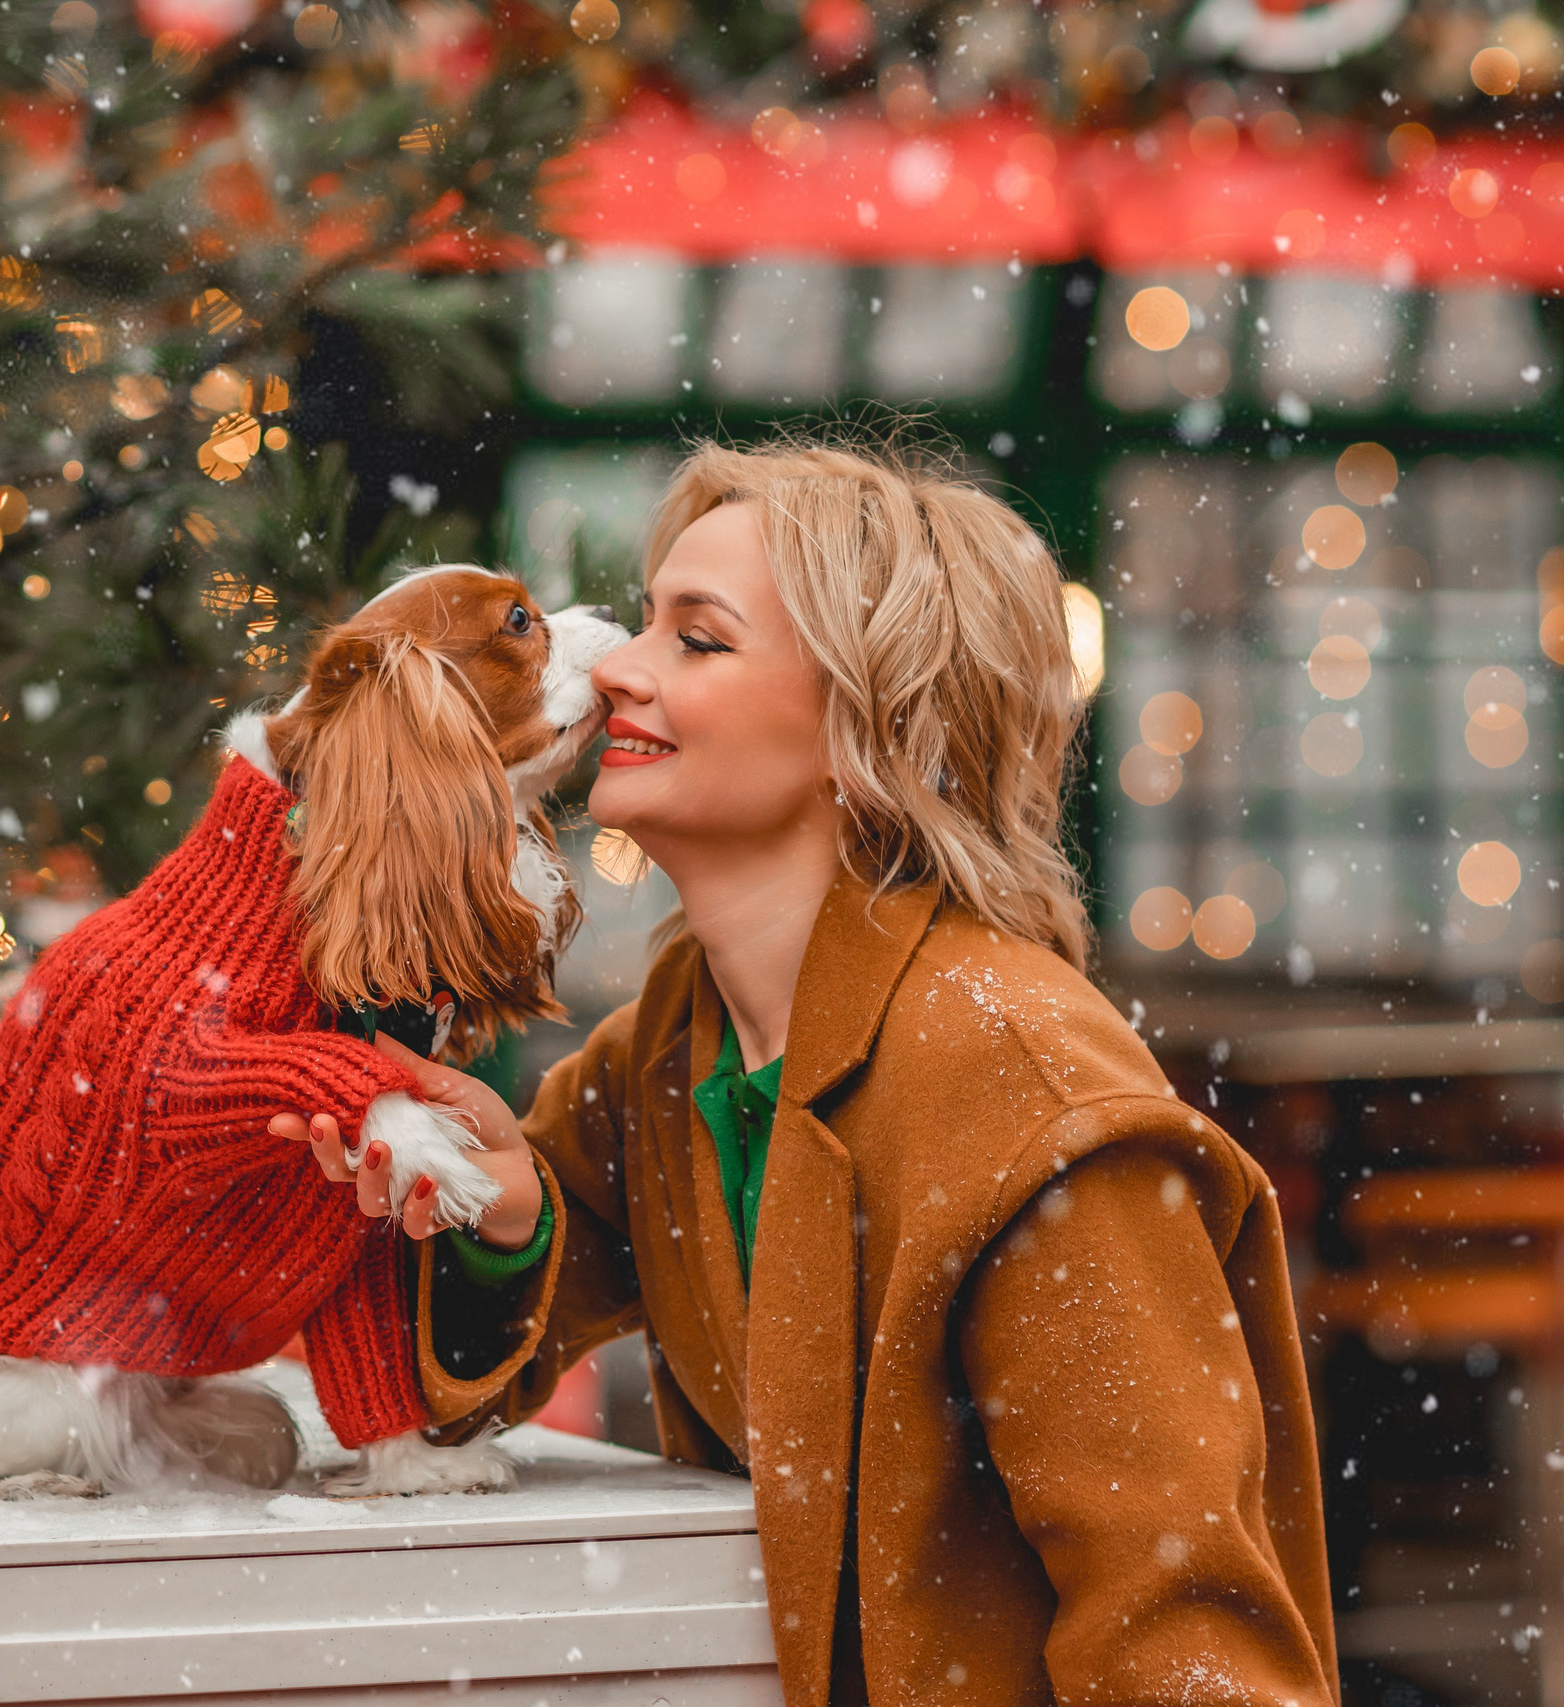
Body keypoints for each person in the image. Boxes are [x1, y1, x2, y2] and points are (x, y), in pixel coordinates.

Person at [270, 436, 1338, 1706]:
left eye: (697, 639)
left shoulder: (1030, 1093)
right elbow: (462, 1377)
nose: (613, 666)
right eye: (644, 623)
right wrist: (507, 1217)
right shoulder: (672, 1045)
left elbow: (1179, 1636)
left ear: (868, 727)